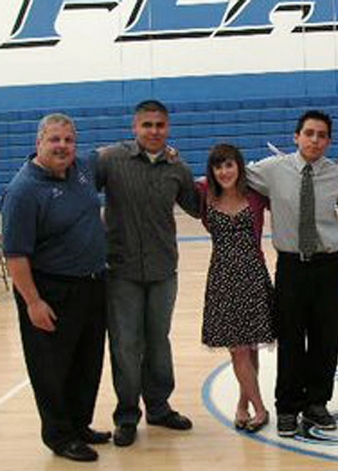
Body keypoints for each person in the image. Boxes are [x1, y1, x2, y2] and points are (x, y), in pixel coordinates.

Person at [1, 114, 110, 462]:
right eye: (54, 140)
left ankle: (80, 425)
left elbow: (109, 153)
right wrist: (32, 302)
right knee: (52, 367)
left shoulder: (82, 168)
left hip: (93, 285)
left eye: (68, 140)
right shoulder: (23, 191)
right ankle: (60, 437)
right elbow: (15, 255)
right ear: (39, 144)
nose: (62, 146)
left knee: (87, 363)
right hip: (50, 290)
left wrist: (159, 150)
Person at [93, 100, 200, 447]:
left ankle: (158, 407)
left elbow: (198, 209)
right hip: (120, 271)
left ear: (168, 128)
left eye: (160, 125)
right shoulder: (110, 160)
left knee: (158, 343)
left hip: (163, 270)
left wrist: (222, 184)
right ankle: (126, 416)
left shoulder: (177, 167)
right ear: (134, 128)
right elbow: (77, 188)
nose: (154, 131)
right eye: (147, 125)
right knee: (125, 346)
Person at [246, 110, 338, 437]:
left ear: (329, 141)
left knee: (326, 337)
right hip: (291, 265)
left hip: (329, 264)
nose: (315, 140)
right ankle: (287, 407)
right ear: (296, 136)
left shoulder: (336, 175)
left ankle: (317, 403)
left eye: (321, 135)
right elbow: (232, 173)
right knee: (290, 338)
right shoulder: (272, 170)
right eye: (309, 133)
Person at [197, 143, 275, 433]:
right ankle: (261, 408)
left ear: (240, 167)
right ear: (212, 171)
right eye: (218, 166)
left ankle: (244, 405)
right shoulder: (204, 195)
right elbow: (179, 183)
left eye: (229, 165)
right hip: (222, 280)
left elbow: (283, 191)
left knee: (249, 346)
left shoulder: (255, 196)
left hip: (253, 276)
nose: (224, 171)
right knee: (238, 350)